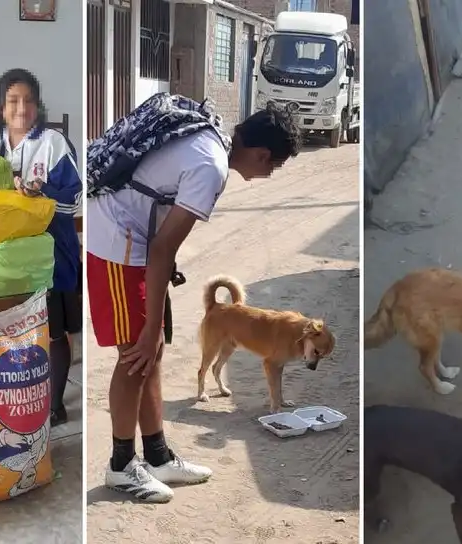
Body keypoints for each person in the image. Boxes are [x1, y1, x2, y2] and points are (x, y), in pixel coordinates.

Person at [85, 103, 303, 502]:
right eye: (274, 166)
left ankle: (157, 455)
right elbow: (163, 247)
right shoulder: (211, 167)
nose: (268, 174)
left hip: (135, 240)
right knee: (135, 355)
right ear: (261, 155)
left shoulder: (212, 137)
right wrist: (151, 328)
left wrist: (154, 331)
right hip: (119, 243)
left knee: (152, 354)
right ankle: (120, 466)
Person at [0, 68, 83, 427]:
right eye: (13, 101)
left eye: (28, 100)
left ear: (38, 105)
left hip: (53, 254)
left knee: (54, 329)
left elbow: (74, 198)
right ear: (1, 108)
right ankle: (25, 391)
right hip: (13, 256)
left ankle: (56, 404)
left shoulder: (53, 143)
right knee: (23, 326)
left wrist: (39, 195)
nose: (21, 108)